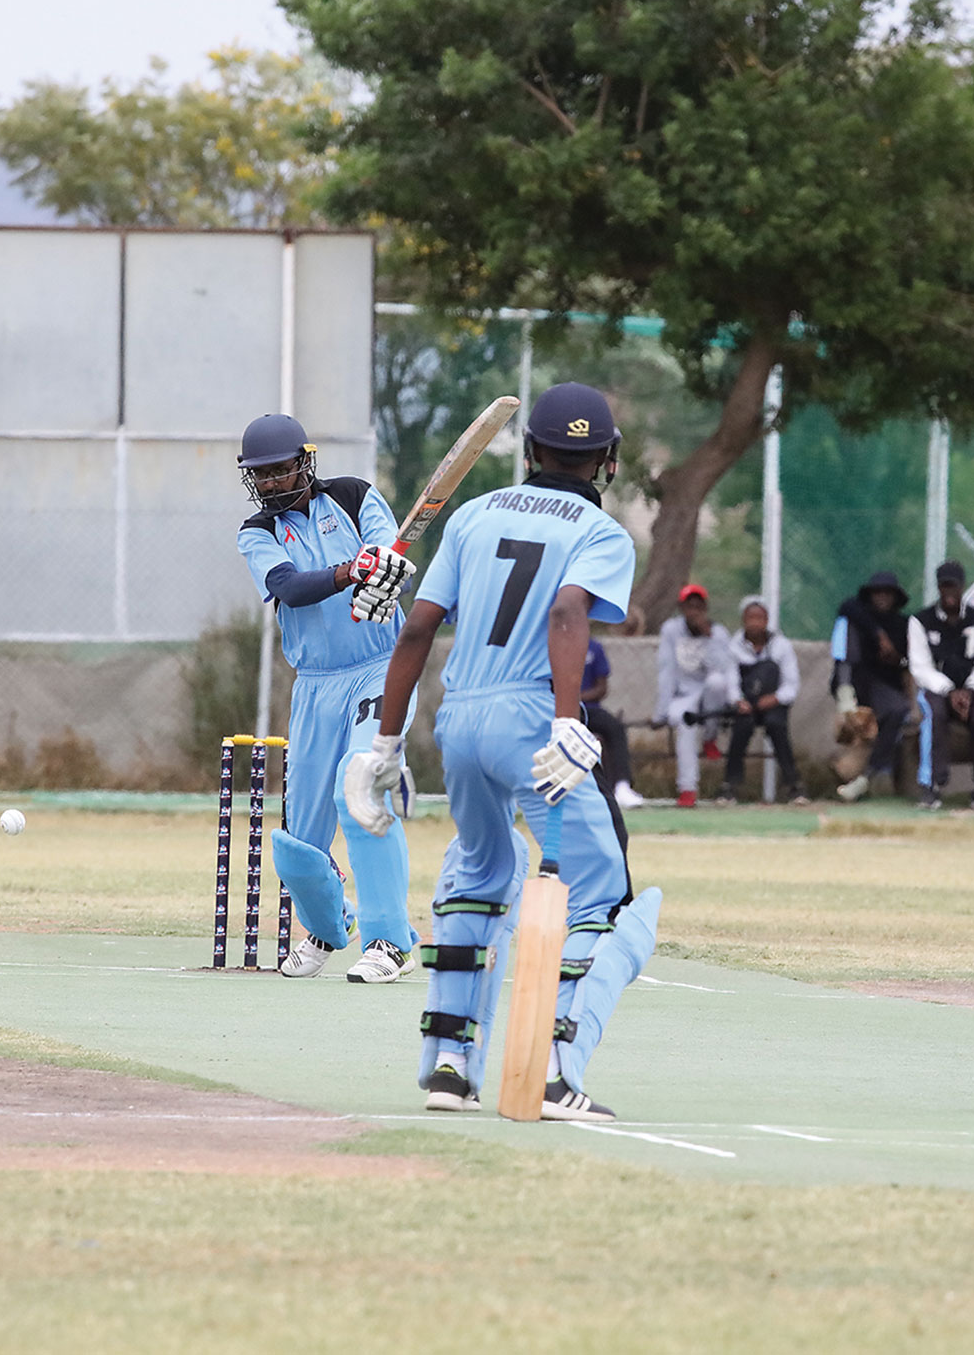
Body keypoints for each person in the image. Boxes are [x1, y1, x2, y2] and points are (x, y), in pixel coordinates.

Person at [344, 382, 659, 1121]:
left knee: (479, 877)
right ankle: (554, 1072)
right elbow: (566, 610)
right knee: (603, 900)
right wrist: (560, 720)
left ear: (529, 451)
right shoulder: (601, 534)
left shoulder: (474, 516)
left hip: (461, 718)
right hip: (528, 718)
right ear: (605, 459)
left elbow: (417, 630)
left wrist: (384, 745)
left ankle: (450, 1067)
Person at [234, 413, 419, 984]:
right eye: (259, 475)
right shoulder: (255, 532)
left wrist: (383, 572)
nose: (269, 483)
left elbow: (391, 560)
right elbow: (289, 587)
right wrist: (348, 572)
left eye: (279, 470)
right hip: (314, 687)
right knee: (298, 839)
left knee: (361, 784)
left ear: (304, 461)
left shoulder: (355, 497)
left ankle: (389, 941)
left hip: (379, 669)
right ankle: (325, 926)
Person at [909, 560, 974, 811]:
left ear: (962, 587)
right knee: (932, 714)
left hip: (972, 689)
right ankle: (930, 785)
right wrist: (948, 690)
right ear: (938, 587)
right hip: (937, 689)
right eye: (944, 586)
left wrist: (969, 689)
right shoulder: (920, 621)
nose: (949, 592)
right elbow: (920, 666)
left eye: (953, 587)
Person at [717, 596, 808, 805]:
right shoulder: (734, 648)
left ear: (767, 620)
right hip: (746, 704)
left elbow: (791, 684)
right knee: (741, 729)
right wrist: (738, 701)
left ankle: (794, 786)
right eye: (751, 617)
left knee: (777, 726)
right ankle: (730, 786)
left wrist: (775, 698)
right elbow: (731, 681)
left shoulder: (782, 646)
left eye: (760, 618)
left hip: (773, 704)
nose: (755, 622)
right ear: (743, 620)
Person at [831, 570, 913, 802]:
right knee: (848, 628)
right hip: (855, 682)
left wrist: (897, 658)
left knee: (897, 711)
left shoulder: (903, 624)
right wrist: (878, 634)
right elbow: (846, 606)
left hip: (886, 684)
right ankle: (845, 694)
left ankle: (866, 777)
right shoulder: (859, 614)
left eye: (888, 593)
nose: (882, 597)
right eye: (878, 592)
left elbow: (908, 661)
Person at [654, 585, 735, 808]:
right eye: (689, 606)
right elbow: (667, 669)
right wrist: (661, 712)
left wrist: (708, 638)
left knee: (717, 682)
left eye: (698, 607)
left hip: (710, 694)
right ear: (681, 608)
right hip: (684, 696)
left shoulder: (718, 633)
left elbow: (723, 669)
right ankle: (688, 789)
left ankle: (710, 736)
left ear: (705, 608)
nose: (694, 611)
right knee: (684, 722)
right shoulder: (671, 630)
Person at [582, 634, 643, 810]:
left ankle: (622, 786)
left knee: (615, 727)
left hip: (588, 708)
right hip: (556, 708)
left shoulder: (594, 647)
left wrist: (576, 699)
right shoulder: (550, 644)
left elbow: (602, 688)